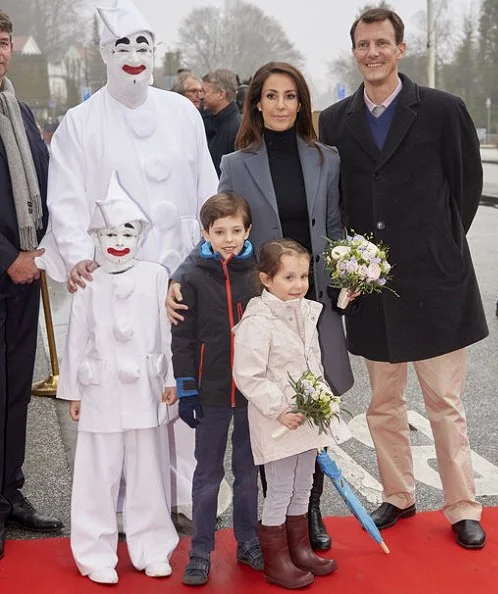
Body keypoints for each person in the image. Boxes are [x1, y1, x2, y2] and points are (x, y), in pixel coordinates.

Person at [39, 0, 218, 522]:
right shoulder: (80, 122)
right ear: (103, 53)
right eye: (123, 46)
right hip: (115, 280)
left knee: (180, 381)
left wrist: (209, 252)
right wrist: (77, 258)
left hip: (179, 277)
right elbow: (66, 198)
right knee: (120, 391)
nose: (134, 56)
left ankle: (184, 496)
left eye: (143, 45)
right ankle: (121, 502)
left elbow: (207, 186)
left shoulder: (182, 112)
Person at [319, 7, 488, 549]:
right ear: (354, 51)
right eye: (363, 44)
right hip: (372, 290)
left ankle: (463, 506)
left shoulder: (442, 109)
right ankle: (398, 495)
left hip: (435, 284)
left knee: (444, 403)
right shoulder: (335, 120)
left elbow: (464, 190)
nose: (372, 52)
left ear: (400, 48)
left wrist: (434, 247)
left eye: (381, 43)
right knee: (383, 403)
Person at [168, 61, 353, 551]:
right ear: (256, 103)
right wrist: (179, 276)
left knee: (316, 405)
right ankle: (281, 523)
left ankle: (309, 511)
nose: (280, 105)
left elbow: (333, 229)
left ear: (301, 103)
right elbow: (220, 231)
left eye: (290, 96)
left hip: (313, 303)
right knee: (276, 414)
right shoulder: (235, 163)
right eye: (271, 96)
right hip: (264, 308)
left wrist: (340, 284)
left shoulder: (326, 158)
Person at [56, 172, 179, 585]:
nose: (118, 241)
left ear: (139, 234)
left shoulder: (155, 276)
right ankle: (94, 553)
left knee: (149, 471)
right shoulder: (88, 282)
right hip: (100, 387)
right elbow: (76, 338)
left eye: (126, 231)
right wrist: (72, 391)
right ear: (97, 237)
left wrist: (171, 380)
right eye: (109, 233)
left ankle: (153, 547)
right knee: (97, 473)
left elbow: (166, 332)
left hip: (145, 386)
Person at [233, 239, 350, 589]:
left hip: (306, 417)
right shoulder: (258, 320)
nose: (299, 284)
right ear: (266, 279)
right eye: (289, 277)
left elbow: (311, 362)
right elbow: (248, 374)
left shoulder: (303, 310)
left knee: (304, 484)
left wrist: (320, 400)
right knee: (280, 488)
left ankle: (300, 550)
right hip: (277, 419)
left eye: (303, 276)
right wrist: (281, 409)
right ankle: (276, 560)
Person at [172, 192, 262, 586]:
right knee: (207, 474)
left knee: (247, 471)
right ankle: (200, 550)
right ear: (205, 231)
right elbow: (183, 338)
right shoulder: (189, 275)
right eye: (220, 231)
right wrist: (186, 387)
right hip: (209, 393)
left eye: (236, 230)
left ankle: (248, 540)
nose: (229, 238)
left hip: (250, 394)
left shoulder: (260, 269)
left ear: (249, 230)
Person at [0, 9, 63, 560]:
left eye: (2, 42)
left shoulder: (16, 108)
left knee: (16, 392)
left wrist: (47, 247)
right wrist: (7, 257)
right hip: (4, 268)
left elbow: (45, 180)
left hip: (23, 279)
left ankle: (9, 493)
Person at [202, 69, 241, 176]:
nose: (201, 97)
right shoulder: (212, 123)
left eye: (205, 92)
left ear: (221, 94)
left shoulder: (238, 128)